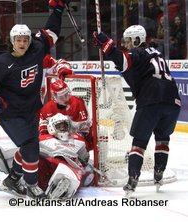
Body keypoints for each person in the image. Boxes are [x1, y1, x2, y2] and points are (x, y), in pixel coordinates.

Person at [0, 0, 70, 199]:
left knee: (28, 146)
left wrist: (58, 9)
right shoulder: (1, 62)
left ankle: (12, 179)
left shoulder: (36, 49)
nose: (23, 43)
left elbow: (51, 32)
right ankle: (32, 186)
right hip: (10, 114)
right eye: (19, 40)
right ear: (12, 41)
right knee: (30, 146)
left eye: (25, 39)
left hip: (31, 110)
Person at [93, 25, 181, 196]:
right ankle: (159, 172)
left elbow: (122, 61)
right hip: (173, 101)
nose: (126, 45)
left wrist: (107, 44)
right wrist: (107, 48)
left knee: (139, 142)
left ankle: (133, 178)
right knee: (163, 139)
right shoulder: (157, 53)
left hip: (151, 99)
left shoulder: (138, 53)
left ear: (137, 40)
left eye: (127, 41)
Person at [39, 78, 93, 150]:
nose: (66, 99)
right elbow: (43, 133)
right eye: (61, 97)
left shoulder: (78, 103)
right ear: (54, 96)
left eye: (67, 94)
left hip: (74, 139)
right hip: (55, 140)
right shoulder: (47, 108)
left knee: (102, 132)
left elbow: (83, 131)